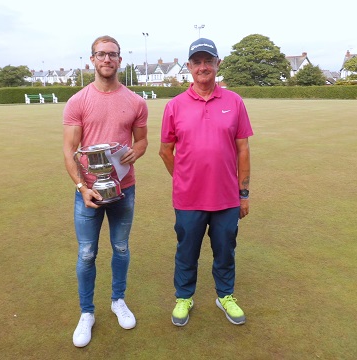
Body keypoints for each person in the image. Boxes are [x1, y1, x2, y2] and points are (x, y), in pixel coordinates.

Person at [159, 38, 253, 327]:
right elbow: (165, 150)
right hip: (188, 199)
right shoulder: (174, 106)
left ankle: (225, 295)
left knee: (225, 249)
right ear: (189, 66)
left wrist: (244, 193)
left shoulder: (234, 101)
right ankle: (184, 297)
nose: (203, 67)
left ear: (217, 64)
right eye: (197, 62)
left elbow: (243, 149)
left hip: (226, 198)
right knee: (186, 250)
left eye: (208, 61)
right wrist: (185, 178)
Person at [63, 35, 148, 347]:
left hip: (123, 190)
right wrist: (82, 188)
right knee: (87, 253)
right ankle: (87, 312)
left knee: (121, 248)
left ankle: (117, 300)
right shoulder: (78, 101)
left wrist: (136, 152)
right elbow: (69, 149)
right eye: (101, 54)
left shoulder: (136, 102)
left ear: (120, 60)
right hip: (90, 192)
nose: (107, 59)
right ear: (92, 59)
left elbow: (142, 141)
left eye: (113, 55)